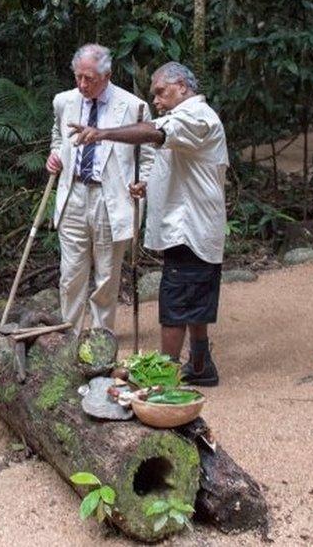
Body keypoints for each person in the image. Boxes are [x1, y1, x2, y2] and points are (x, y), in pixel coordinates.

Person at [69, 61, 228, 386]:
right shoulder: (187, 118)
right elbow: (183, 165)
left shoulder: (196, 117)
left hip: (190, 228)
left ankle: (162, 377)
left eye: (160, 92)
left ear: (182, 86)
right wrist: (149, 184)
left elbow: (156, 133)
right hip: (192, 226)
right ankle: (200, 366)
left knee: (175, 301)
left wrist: (103, 134)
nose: (155, 100)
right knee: (192, 297)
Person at [46, 43, 154, 337]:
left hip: (112, 198)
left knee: (107, 275)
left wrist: (143, 184)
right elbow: (58, 138)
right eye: (78, 77)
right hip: (74, 194)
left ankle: (100, 339)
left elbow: (148, 155)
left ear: (107, 75)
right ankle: (69, 337)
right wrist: (55, 155)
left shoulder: (134, 106)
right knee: (70, 275)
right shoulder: (63, 101)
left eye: (89, 78)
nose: (82, 84)